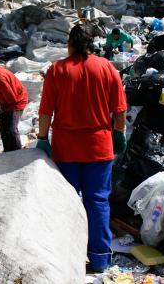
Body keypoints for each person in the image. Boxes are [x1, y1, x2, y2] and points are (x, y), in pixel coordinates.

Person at [36, 24, 127, 272]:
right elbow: (119, 109)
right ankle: (99, 258)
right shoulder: (107, 68)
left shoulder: (57, 70)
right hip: (99, 148)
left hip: (66, 150)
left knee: (67, 202)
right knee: (97, 202)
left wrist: (43, 138)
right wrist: (119, 133)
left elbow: (45, 110)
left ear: (70, 43)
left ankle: (68, 257)